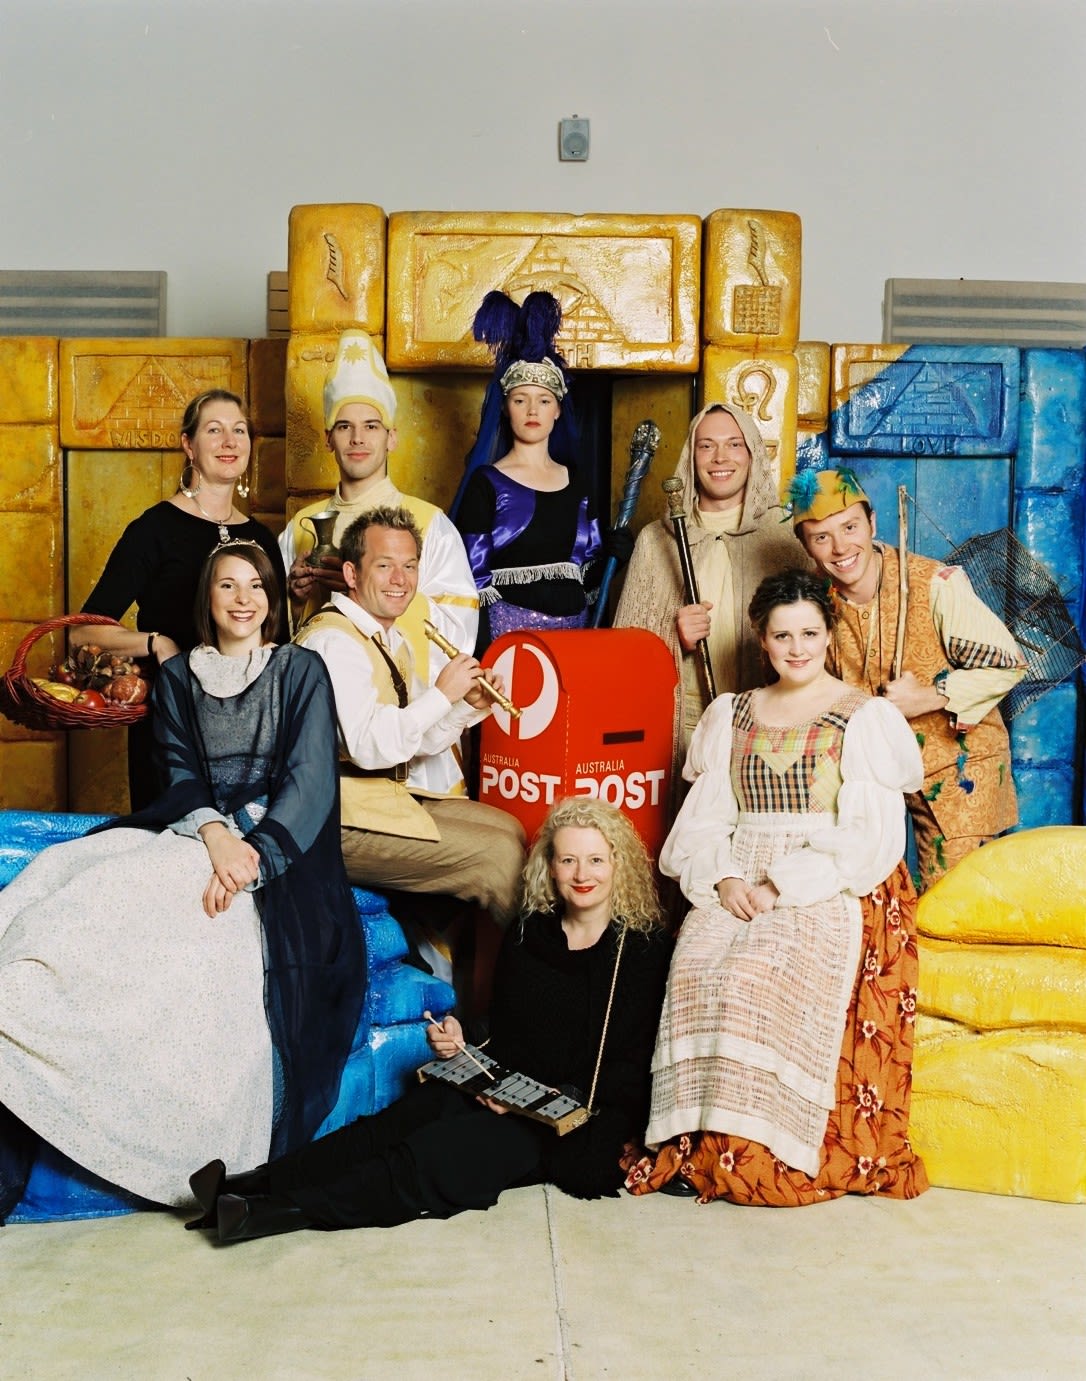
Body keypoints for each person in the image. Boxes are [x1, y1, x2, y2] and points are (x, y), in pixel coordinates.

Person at [0, 542, 365, 1223]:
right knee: (68, 890)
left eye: (255, 584)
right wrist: (217, 837)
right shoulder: (178, 678)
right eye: (227, 585)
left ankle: (188, 1140)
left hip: (276, 862)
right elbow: (177, 768)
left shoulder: (299, 670)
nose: (242, 597)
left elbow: (310, 783)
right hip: (195, 834)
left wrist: (251, 857)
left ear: (272, 596)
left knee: (197, 940)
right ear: (208, 596)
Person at [185, 797, 671, 1244]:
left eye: (595, 860)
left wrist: (531, 1102)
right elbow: (506, 1033)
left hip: (571, 1117)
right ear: (550, 867)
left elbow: (630, 1067)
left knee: (437, 1155)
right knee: (401, 1119)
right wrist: (464, 1043)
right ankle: (248, 1184)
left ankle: (269, 1213)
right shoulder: (530, 936)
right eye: (568, 860)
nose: (581, 873)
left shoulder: (642, 951)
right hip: (507, 1087)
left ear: (617, 865)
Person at [622, 568, 929, 1205]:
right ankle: (697, 1147)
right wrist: (726, 876)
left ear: (827, 634)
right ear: (762, 640)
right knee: (696, 967)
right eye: (782, 635)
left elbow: (870, 835)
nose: (796, 648)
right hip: (736, 868)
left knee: (753, 976)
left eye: (809, 633)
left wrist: (781, 885)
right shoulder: (729, 714)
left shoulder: (862, 716)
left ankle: (765, 1149)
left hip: (824, 877)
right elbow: (703, 820)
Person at [293, 505, 526, 949]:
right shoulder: (334, 642)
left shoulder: (386, 636)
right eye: (384, 566)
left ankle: (473, 976)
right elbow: (370, 748)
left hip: (376, 797)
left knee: (509, 828)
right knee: (499, 859)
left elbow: (413, 742)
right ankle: (542, 983)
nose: (400, 579)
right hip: (332, 821)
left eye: (409, 566)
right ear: (351, 573)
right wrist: (441, 693)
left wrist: (463, 705)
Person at [791, 468, 1026, 887]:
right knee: (867, 901)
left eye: (850, 527)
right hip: (871, 777)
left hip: (958, 772)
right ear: (806, 546)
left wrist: (932, 695)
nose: (841, 547)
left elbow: (1008, 662)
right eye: (822, 537)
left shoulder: (937, 583)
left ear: (873, 523)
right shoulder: (812, 606)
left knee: (953, 906)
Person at [78, 389, 288, 808]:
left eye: (239, 431)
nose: (230, 442)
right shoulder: (153, 529)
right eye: (214, 430)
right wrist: (157, 644)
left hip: (247, 734)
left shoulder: (263, 538)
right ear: (188, 445)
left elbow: (277, 640)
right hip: (172, 726)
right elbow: (83, 631)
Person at [614, 402, 799, 794]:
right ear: (690, 456)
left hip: (766, 721)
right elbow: (625, 652)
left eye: (734, 445)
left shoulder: (782, 537)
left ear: (752, 455)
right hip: (686, 725)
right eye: (706, 446)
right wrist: (674, 634)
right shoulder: (656, 540)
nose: (720, 458)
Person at [280, 330, 478, 673]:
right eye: (344, 426)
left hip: (398, 703)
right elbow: (266, 635)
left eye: (371, 426)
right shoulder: (300, 527)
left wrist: (367, 590)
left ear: (392, 438)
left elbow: (458, 633)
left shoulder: (430, 524)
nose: (358, 438)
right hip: (318, 694)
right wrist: (294, 600)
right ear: (328, 439)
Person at [452, 291, 612, 654]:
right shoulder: (486, 484)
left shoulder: (578, 482)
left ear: (558, 410)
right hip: (508, 638)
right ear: (505, 408)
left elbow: (590, 566)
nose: (532, 410)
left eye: (543, 400)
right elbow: (471, 578)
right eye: (520, 399)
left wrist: (617, 556)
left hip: (576, 635)